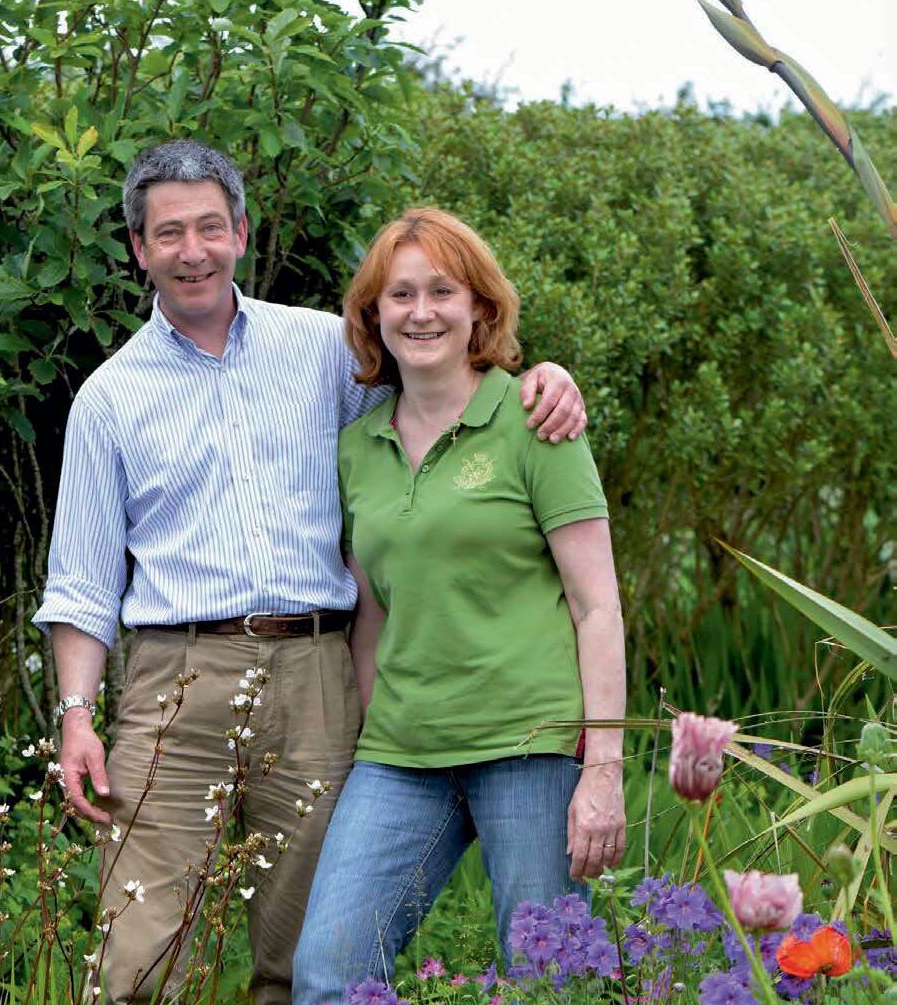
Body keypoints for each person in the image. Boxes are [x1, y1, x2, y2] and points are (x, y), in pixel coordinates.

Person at [33, 142, 588, 1005]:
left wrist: (542, 380)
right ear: (138, 249)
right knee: (136, 957)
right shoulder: (108, 397)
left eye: (210, 227)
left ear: (242, 233)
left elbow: (438, 404)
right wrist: (76, 714)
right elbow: (80, 582)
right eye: (169, 232)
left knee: (308, 956)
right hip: (174, 682)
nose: (193, 250)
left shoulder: (326, 351)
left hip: (319, 676)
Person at [290, 208, 626, 1005]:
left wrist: (602, 770)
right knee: (329, 973)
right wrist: (375, 733)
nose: (421, 310)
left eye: (443, 289)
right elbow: (372, 615)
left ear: (480, 305)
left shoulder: (536, 421)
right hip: (403, 758)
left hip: (531, 747)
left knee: (550, 982)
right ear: (373, 316)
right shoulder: (358, 447)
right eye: (399, 294)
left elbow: (597, 607)